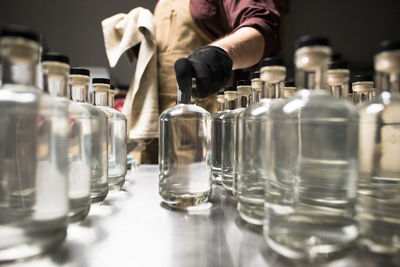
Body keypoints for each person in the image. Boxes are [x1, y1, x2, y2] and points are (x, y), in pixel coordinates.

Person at [141, 0, 281, 164]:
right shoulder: (162, 3)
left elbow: (263, 29)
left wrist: (221, 53)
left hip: (208, 130)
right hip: (159, 132)